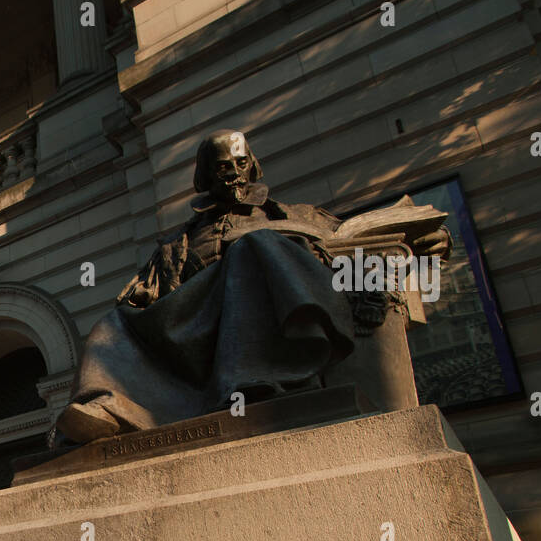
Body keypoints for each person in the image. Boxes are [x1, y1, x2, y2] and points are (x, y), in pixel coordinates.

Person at [56, 130, 362, 444]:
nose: (234, 175)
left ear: (252, 166)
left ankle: (250, 384)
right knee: (113, 322)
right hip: (193, 325)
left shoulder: (294, 216)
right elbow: (151, 295)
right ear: (206, 175)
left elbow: (351, 244)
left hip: (264, 318)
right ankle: (107, 407)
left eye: (241, 163)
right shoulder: (177, 242)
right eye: (222, 168)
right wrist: (143, 296)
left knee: (248, 250)